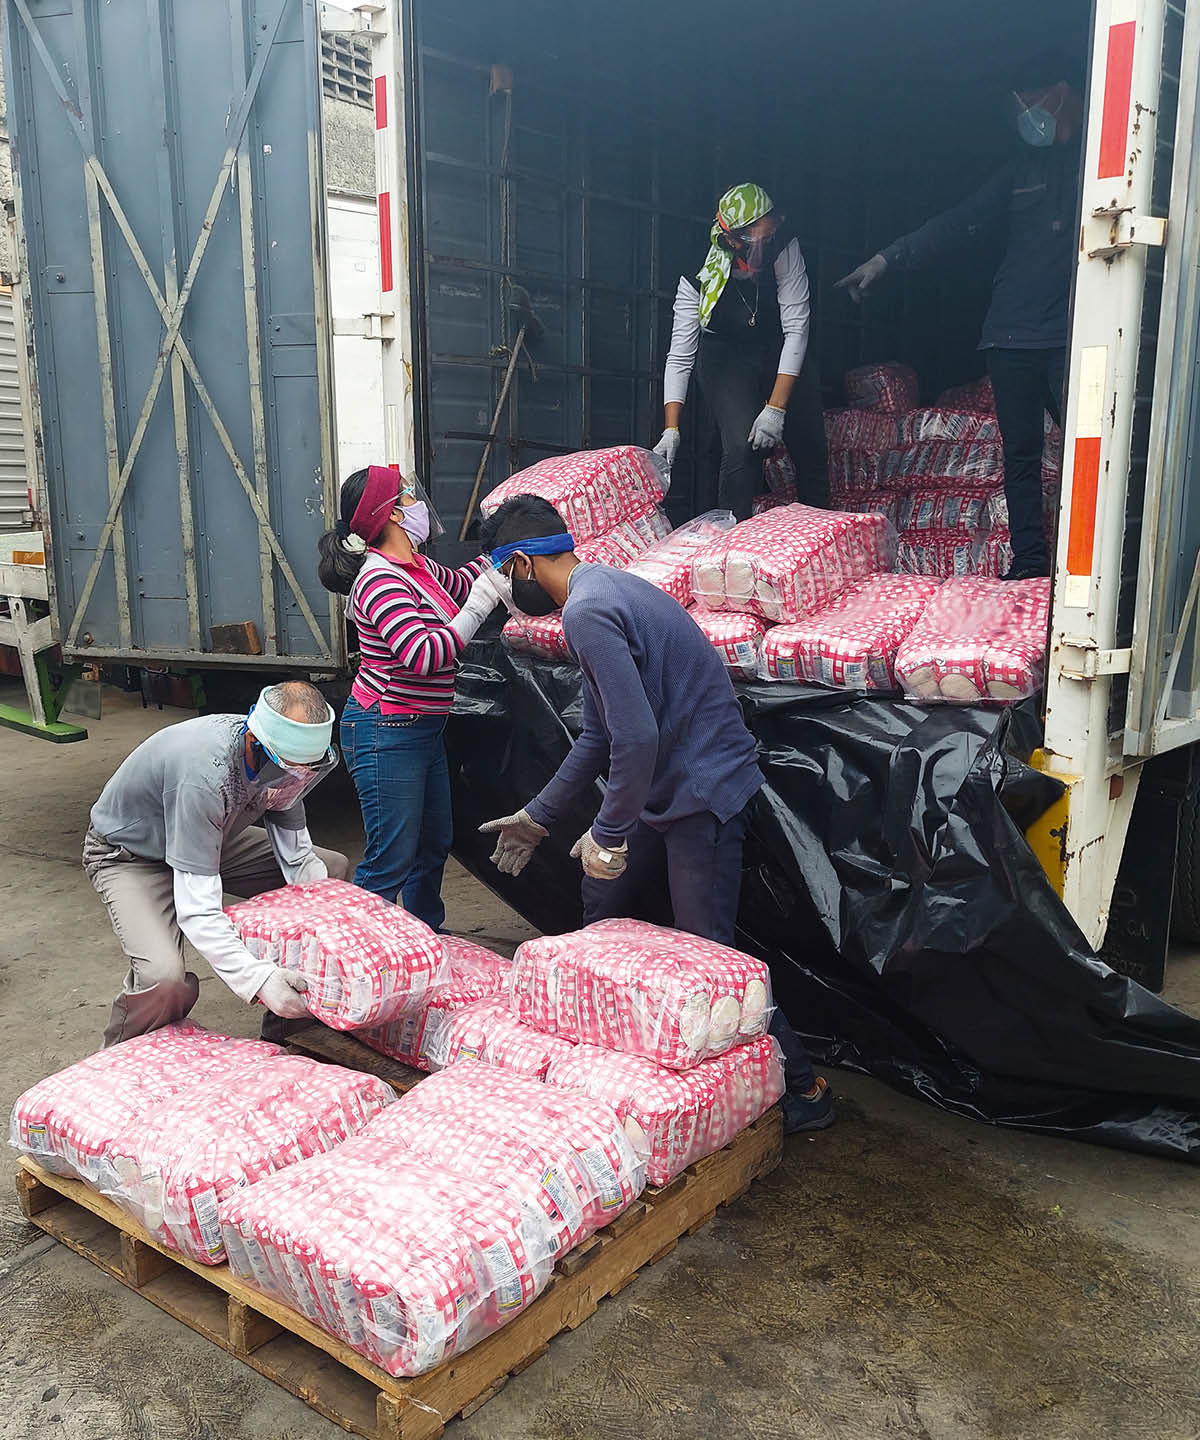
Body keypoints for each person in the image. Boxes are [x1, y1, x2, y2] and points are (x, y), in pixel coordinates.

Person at [476, 494, 833, 1132]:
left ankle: (803, 1088)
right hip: (668, 783)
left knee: (709, 956)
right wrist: (539, 815)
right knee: (602, 905)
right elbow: (600, 734)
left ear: (523, 564)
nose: (507, 592)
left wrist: (609, 832)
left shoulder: (588, 610)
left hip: (702, 789)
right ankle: (612, 1057)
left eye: (503, 576)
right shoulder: (597, 593)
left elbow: (635, 736)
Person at [836, 54, 1084, 581]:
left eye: (1033, 102)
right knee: (1021, 455)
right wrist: (888, 259)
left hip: (1073, 338)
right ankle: (1030, 563)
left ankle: (1087, 569)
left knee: (1086, 449)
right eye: (1019, 107)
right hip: (1011, 337)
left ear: (1062, 92)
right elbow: (958, 222)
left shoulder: (1097, 166)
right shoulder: (1020, 173)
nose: (1027, 115)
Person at [86, 681, 348, 1046]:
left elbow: (299, 859)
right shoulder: (205, 774)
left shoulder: (287, 764)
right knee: (163, 978)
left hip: (213, 837)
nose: (296, 781)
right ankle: (121, 1060)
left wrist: (339, 927)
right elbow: (199, 912)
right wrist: (258, 979)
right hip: (132, 856)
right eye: (290, 769)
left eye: (306, 771)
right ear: (255, 745)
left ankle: (292, 1025)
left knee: (329, 873)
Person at [317, 464, 502, 930]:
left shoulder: (417, 568)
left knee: (433, 844)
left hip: (422, 728)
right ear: (394, 514)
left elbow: (462, 582)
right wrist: (479, 607)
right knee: (389, 860)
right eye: (407, 496)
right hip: (386, 731)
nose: (418, 502)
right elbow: (422, 655)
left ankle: (424, 939)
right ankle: (357, 955)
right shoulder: (380, 580)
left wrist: (505, 548)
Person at [652, 181, 827, 520]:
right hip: (726, 355)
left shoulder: (784, 247)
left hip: (778, 344)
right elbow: (680, 355)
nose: (768, 246)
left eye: (771, 236)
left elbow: (796, 329)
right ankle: (732, 535)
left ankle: (823, 534)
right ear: (734, 240)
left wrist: (775, 408)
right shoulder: (696, 270)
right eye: (760, 241)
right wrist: (671, 429)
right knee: (741, 447)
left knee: (811, 444)